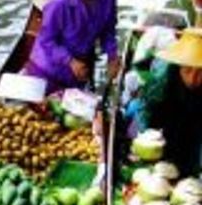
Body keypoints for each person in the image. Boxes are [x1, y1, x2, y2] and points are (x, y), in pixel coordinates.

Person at [129, 28, 202, 174]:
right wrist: (148, 139)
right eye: (187, 70)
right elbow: (146, 109)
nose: (193, 79)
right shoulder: (163, 77)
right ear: (179, 65)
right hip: (165, 119)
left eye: (201, 72)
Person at [25, 0, 119, 93]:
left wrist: (112, 56)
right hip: (46, 72)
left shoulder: (108, 2)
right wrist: (70, 61)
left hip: (77, 73)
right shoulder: (58, 4)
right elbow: (46, 41)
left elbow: (108, 31)